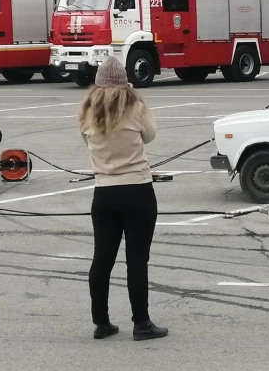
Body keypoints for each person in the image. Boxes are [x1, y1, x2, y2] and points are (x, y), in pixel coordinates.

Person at [78, 56, 168, 341]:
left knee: (101, 259)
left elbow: (86, 141)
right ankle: (141, 323)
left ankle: (101, 322)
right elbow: (150, 136)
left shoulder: (87, 112)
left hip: (104, 192)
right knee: (137, 260)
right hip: (137, 190)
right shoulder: (135, 106)